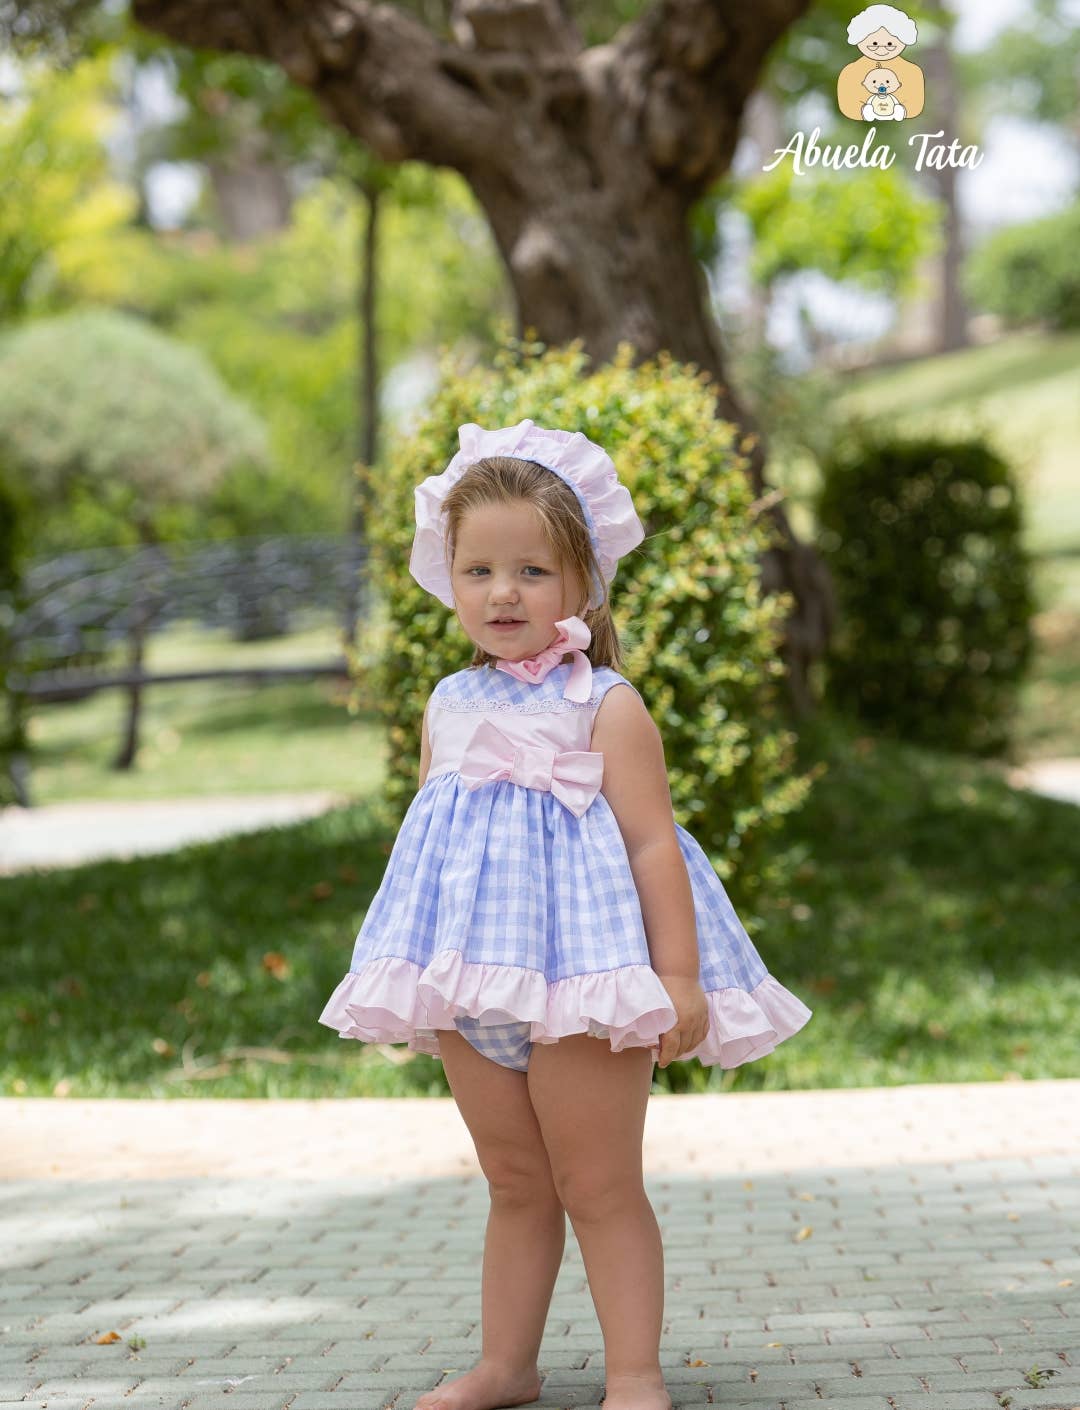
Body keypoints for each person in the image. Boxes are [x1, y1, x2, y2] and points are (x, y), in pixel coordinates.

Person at [319, 418, 814, 1410]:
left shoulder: (607, 705)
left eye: (532, 571)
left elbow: (653, 846)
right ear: (449, 578)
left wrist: (678, 978)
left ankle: (634, 1375)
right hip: (474, 977)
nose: (503, 592)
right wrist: (413, 961)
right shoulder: (447, 704)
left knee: (597, 1184)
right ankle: (507, 1366)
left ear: (583, 583)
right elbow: (432, 839)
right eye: (479, 571)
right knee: (514, 1181)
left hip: (585, 977)